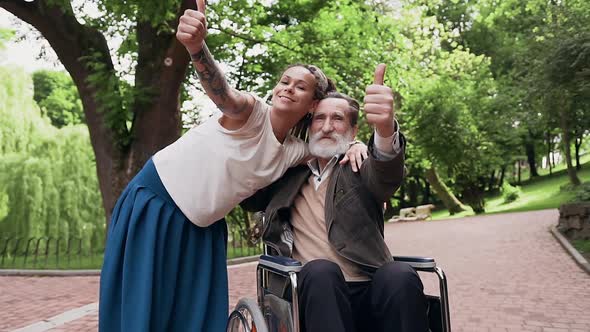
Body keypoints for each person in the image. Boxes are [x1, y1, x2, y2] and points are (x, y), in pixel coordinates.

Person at [98, 1, 365, 331]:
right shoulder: (252, 112)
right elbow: (223, 94)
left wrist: (356, 143)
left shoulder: (295, 151)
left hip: (204, 223)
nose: (288, 88)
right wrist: (197, 48)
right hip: (157, 202)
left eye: (300, 86)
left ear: (311, 104)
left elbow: (330, 142)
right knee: (145, 309)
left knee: (193, 317)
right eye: (285, 81)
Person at [242, 65, 429, 332]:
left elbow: (385, 176)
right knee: (322, 271)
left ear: (353, 132)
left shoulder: (360, 163)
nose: (327, 127)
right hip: (311, 291)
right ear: (310, 125)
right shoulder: (286, 172)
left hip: (369, 287)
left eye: (338, 119)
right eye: (320, 119)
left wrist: (385, 130)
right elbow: (249, 197)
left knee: (398, 274)